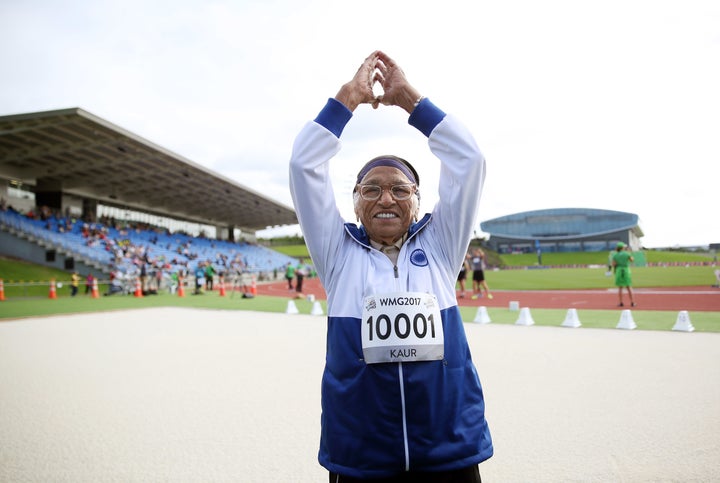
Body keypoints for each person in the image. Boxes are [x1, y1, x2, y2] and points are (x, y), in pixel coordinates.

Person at [289, 50, 492, 481]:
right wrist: (347, 99)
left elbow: (469, 160)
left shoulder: (442, 244)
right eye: (371, 189)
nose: (386, 199)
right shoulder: (337, 253)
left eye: (400, 189)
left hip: (448, 448)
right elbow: (303, 164)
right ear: (355, 201)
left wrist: (412, 104)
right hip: (363, 454)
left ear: (418, 202)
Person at [612, 241, 636, 307]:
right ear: (623, 247)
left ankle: (621, 302)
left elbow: (613, 264)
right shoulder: (627, 254)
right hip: (626, 270)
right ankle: (632, 302)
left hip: (619, 271)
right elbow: (632, 260)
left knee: (620, 288)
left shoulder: (615, 255)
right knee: (629, 287)